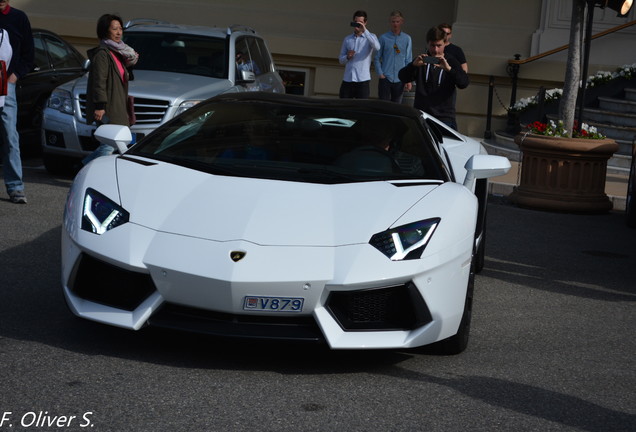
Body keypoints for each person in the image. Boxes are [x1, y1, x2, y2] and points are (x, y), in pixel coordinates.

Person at [83, 13, 139, 165]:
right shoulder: (103, 54)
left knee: (112, 144)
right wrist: (100, 106)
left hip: (118, 105)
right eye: (114, 29)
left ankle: (84, 166)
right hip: (107, 107)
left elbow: (123, 77)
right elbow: (99, 81)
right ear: (105, 31)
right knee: (110, 144)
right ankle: (86, 169)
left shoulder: (118, 53)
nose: (119, 32)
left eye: (120, 28)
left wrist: (130, 65)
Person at [398, 26, 469, 131]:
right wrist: (413, 66)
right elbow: (402, 77)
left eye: (439, 45)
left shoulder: (451, 61)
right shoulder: (421, 60)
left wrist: (449, 69)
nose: (435, 50)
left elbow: (464, 83)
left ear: (445, 44)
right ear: (428, 44)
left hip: (444, 118)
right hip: (422, 115)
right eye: (432, 45)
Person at [0, 0, 34, 204]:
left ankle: (15, 187)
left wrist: (14, 76)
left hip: (7, 86)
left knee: (10, 135)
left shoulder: (19, 18)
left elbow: (28, 55)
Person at [338, 10, 380, 99]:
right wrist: (347, 57)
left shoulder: (370, 37)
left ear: (365, 23)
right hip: (348, 79)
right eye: (356, 22)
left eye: (360, 22)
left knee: (361, 109)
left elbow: (377, 47)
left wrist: (365, 31)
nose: (358, 24)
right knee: (343, 107)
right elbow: (341, 60)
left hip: (362, 79)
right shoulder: (347, 39)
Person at [374, 10, 412, 103]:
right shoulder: (383, 38)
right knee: (383, 106)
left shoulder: (407, 38)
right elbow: (376, 57)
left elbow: (408, 59)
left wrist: (408, 79)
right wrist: (380, 74)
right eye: (393, 21)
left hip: (400, 78)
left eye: (397, 22)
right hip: (386, 77)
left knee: (397, 107)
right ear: (390, 22)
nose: (395, 24)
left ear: (402, 22)